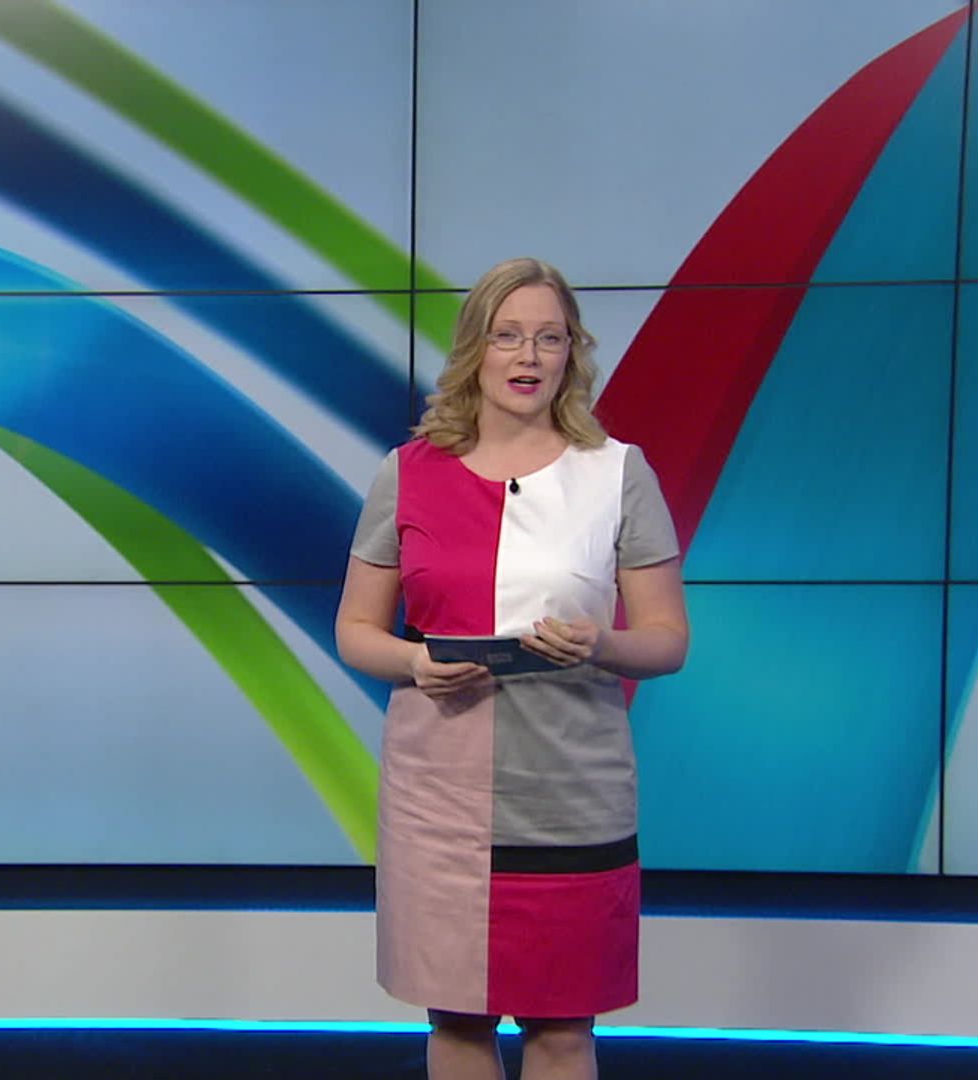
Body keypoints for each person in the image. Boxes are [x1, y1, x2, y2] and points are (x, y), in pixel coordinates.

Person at [335, 257, 689, 1080]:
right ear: (475, 349)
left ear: (571, 354)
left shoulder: (617, 473)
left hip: (571, 793)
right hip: (440, 796)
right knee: (457, 1022)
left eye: (549, 338)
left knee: (562, 1028)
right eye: (508, 336)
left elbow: (668, 639)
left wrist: (600, 645)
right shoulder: (406, 473)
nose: (528, 356)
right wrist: (417, 661)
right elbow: (356, 630)